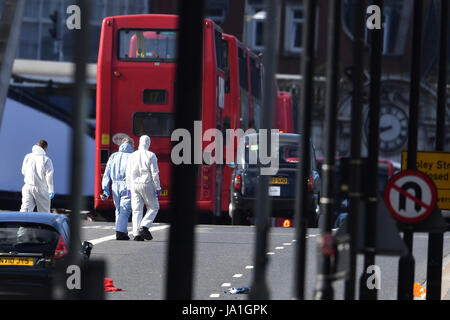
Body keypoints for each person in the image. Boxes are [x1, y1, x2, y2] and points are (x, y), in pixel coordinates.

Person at [126, 135, 161, 241]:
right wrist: (158, 187)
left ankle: (136, 234)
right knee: (154, 206)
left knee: (136, 209)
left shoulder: (132, 155)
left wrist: (128, 187)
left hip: (134, 185)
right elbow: (155, 173)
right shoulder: (151, 155)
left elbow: (128, 173)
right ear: (148, 143)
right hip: (147, 183)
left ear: (139, 142)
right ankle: (144, 226)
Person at [102, 137, 135, 240]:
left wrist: (105, 188)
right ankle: (120, 232)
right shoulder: (132, 156)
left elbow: (107, 173)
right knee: (125, 209)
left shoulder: (113, 156)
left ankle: (122, 230)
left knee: (118, 209)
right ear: (131, 145)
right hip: (127, 185)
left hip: (115, 185)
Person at [20, 140, 54, 213]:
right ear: (45, 148)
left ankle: (22, 224)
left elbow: (23, 171)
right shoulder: (46, 160)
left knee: (25, 210)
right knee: (44, 212)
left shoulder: (28, 156)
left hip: (27, 186)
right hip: (40, 188)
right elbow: (49, 176)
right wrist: (51, 190)